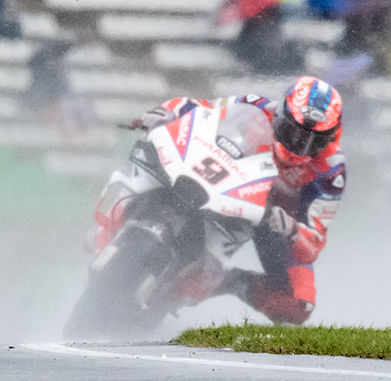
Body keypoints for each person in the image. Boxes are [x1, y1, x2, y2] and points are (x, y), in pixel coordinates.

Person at [131, 77, 345, 324]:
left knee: (298, 305)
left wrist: (293, 229)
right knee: (154, 156)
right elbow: (201, 109)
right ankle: (121, 214)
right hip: (224, 183)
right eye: (292, 133)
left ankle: (228, 282)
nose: (300, 147)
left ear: (329, 138)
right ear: (281, 116)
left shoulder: (332, 172)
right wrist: (167, 112)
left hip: (272, 222)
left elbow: (314, 243)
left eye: (313, 142)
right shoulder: (256, 106)